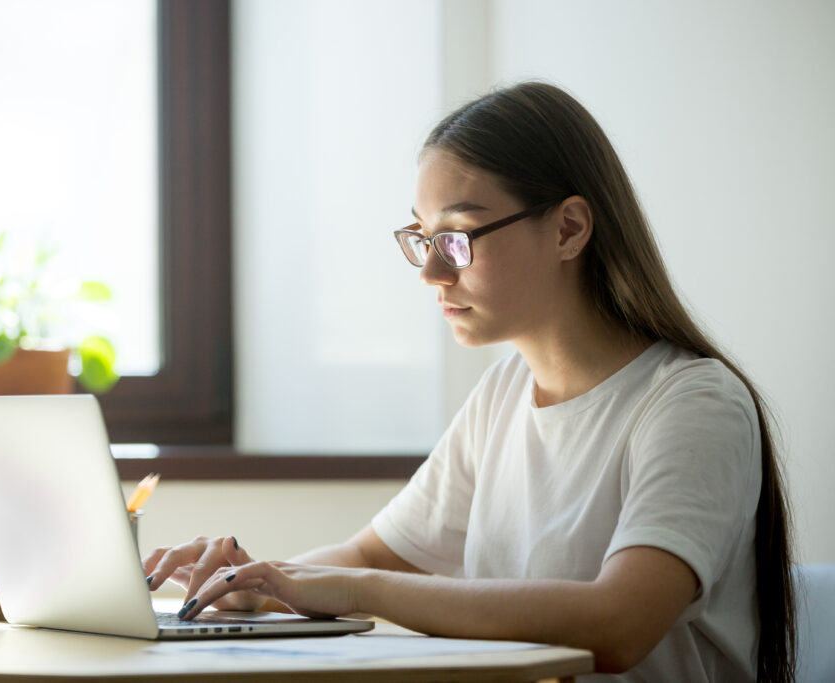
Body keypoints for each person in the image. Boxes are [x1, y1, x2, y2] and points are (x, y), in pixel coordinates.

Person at [142, 82, 796, 682]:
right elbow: (373, 554)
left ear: (569, 228)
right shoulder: (505, 392)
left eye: (455, 237)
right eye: (421, 238)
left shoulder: (692, 405)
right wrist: (259, 582)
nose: (430, 272)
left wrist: (349, 591)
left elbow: (617, 625)